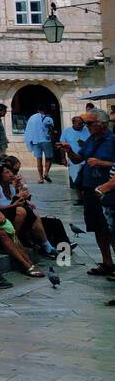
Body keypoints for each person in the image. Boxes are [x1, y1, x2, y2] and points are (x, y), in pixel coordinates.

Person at [72, 109, 115, 277]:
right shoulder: (90, 139)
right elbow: (78, 159)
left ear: (102, 124)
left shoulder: (112, 141)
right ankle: (107, 262)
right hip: (90, 189)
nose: (86, 126)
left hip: (108, 190)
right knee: (97, 227)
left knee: (111, 228)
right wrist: (68, 150)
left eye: (89, 123)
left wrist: (100, 162)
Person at [59, 115, 90, 205]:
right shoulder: (67, 132)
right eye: (79, 124)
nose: (81, 125)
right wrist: (63, 158)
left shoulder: (87, 130)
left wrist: (84, 144)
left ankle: (87, 198)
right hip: (73, 159)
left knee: (86, 179)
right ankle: (80, 198)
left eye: (82, 123)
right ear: (73, 123)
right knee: (76, 179)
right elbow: (62, 146)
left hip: (86, 158)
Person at [23, 105, 55, 183]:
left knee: (39, 159)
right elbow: (51, 130)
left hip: (35, 141)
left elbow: (28, 129)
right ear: (45, 111)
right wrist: (53, 140)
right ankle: (46, 173)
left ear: (38, 110)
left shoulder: (32, 118)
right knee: (49, 158)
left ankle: (40, 178)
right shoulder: (48, 119)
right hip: (46, 140)